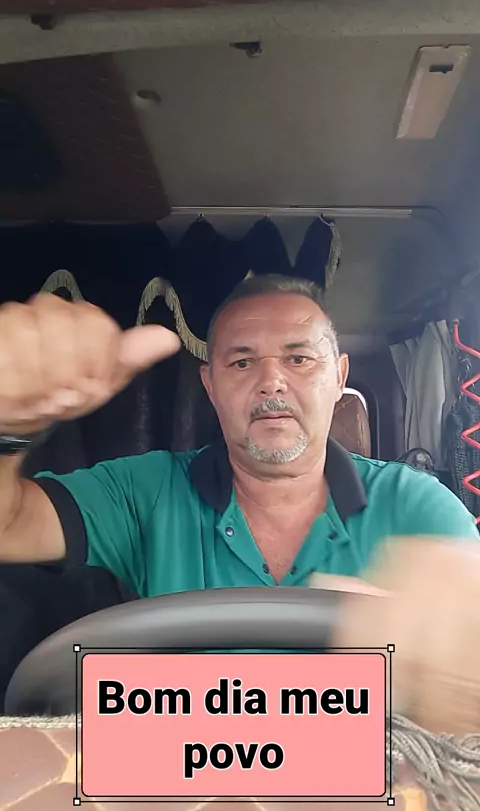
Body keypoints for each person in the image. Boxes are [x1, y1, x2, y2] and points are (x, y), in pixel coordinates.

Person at [0, 274, 479, 733]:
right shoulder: (146, 490)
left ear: (339, 377)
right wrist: (9, 425)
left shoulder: (417, 505)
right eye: (242, 363)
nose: (272, 382)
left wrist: (454, 663)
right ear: (210, 386)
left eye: (299, 359)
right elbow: (11, 522)